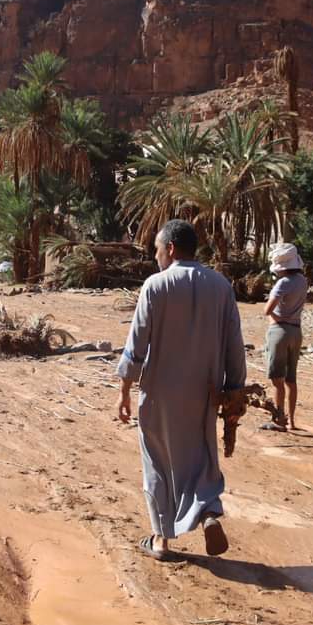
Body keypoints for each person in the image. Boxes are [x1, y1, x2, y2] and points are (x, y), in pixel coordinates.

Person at [116, 220, 247, 561]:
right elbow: (235, 345)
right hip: (205, 392)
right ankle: (208, 513)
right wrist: (235, 391)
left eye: (157, 250)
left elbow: (137, 342)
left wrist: (125, 389)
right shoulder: (221, 286)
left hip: (159, 393)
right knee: (201, 457)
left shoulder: (155, 285)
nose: (156, 256)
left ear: (170, 249)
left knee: (158, 461)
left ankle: (161, 539)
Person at [263, 243, 309, 431]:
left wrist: (277, 319)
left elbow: (267, 310)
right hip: (296, 331)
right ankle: (292, 421)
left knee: (277, 380)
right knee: (291, 379)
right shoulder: (302, 281)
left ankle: (278, 419)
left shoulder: (283, 283)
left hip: (279, 331)